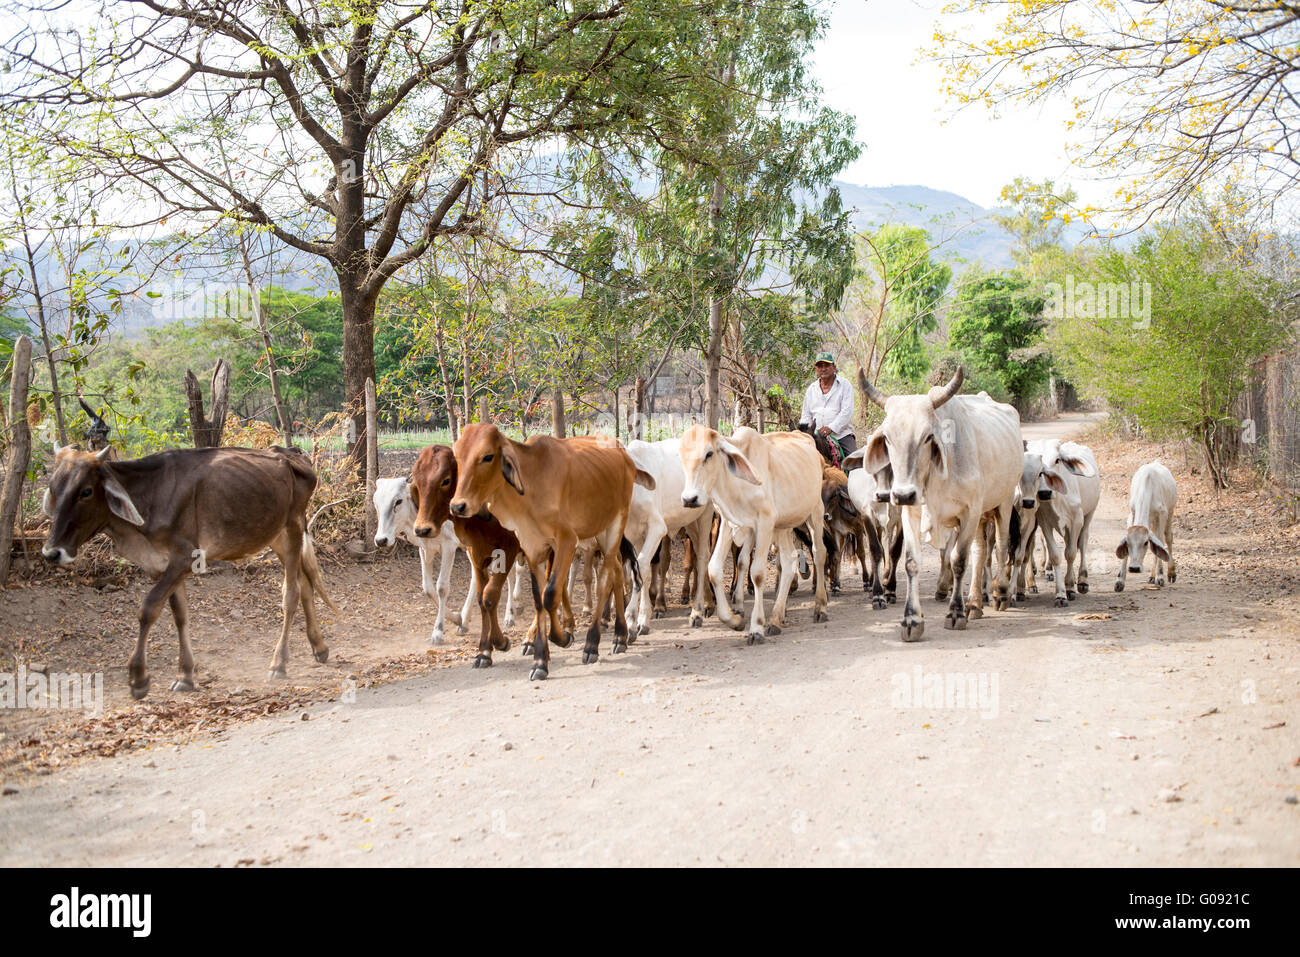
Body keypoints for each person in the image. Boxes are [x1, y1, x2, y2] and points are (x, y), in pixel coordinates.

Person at [798, 351, 856, 459]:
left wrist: (831, 428)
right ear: (816, 369)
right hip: (816, 435)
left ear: (834, 367)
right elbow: (806, 415)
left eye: (827, 365)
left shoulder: (845, 385)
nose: (823, 369)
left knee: (855, 462)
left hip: (841, 435)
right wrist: (804, 432)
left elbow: (847, 412)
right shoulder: (811, 389)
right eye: (820, 366)